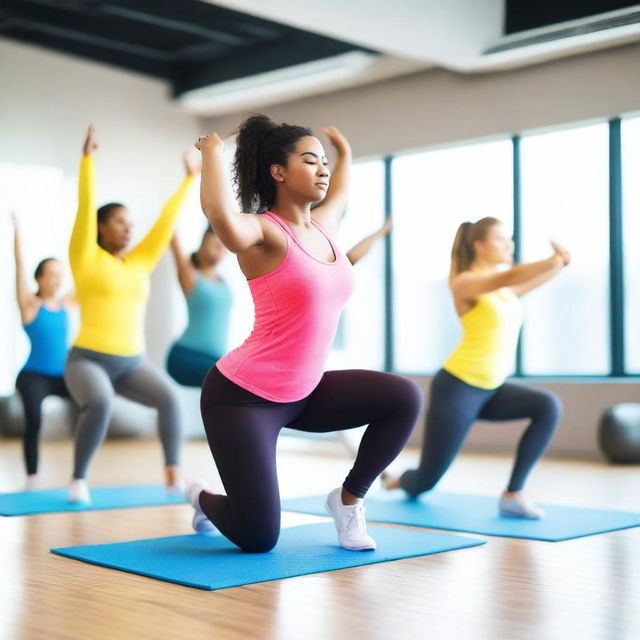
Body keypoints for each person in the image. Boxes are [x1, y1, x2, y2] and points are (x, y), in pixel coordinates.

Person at [187, 114, 423, 552]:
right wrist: (212, 155)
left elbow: (342, 196)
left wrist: (346, 155)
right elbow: (220, 214)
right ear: (278, 172)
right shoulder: (263, 233)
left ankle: (348, 501)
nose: (323, 170)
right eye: (310, 161)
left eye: (324, 164)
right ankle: (201, 498)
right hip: (242, 397)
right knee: (258, 537)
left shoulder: (323, 230)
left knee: (403, 397)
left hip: (305, 394)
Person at [384, 217, 568, 519]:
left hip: (493, 388)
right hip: (458, 389)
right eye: (500, 239)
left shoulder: (504, 291)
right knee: (425, 481)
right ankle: (398, 481)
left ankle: (513, 494)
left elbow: (522, 280)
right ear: (478, 245)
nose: (509, 244)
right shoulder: (465, 282)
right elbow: (510, 277)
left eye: (509, 239)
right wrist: (552, 260)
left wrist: (559, 264)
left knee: (548, 406)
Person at [64, 124, 199, 503]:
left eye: (130, 222)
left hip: (130, 362)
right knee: (101, 401)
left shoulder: (139, 262)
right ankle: (78, 478)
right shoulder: (85, 257)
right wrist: (87, 161)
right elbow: (85, 206)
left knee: (169, 398)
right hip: (86, 359)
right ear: (102, 228)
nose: (129, 228)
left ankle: (172, 475)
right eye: (120, 221)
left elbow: (165, 223)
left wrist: (190, 180)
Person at [12, 213, 74, 489]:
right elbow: (19, 266)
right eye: (51, 274)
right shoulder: (30, 305)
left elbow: (90, 280)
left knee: (91, 405)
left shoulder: (66, 303)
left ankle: (79, 472)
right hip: (33, 375)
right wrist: (17, 232)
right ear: (39, 278)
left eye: (60, 274)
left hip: (63, 375)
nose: (57, 279)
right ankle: (32, 477)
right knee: (34, 420)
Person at [165, 229, 231, 388]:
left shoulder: (222, 280)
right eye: (216, 245)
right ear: (204, 241)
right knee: (232, 383)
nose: (220, 250)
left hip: (214, 360)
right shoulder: (190, 274)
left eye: (224, 248)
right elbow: (171, 233)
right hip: (186, 356)